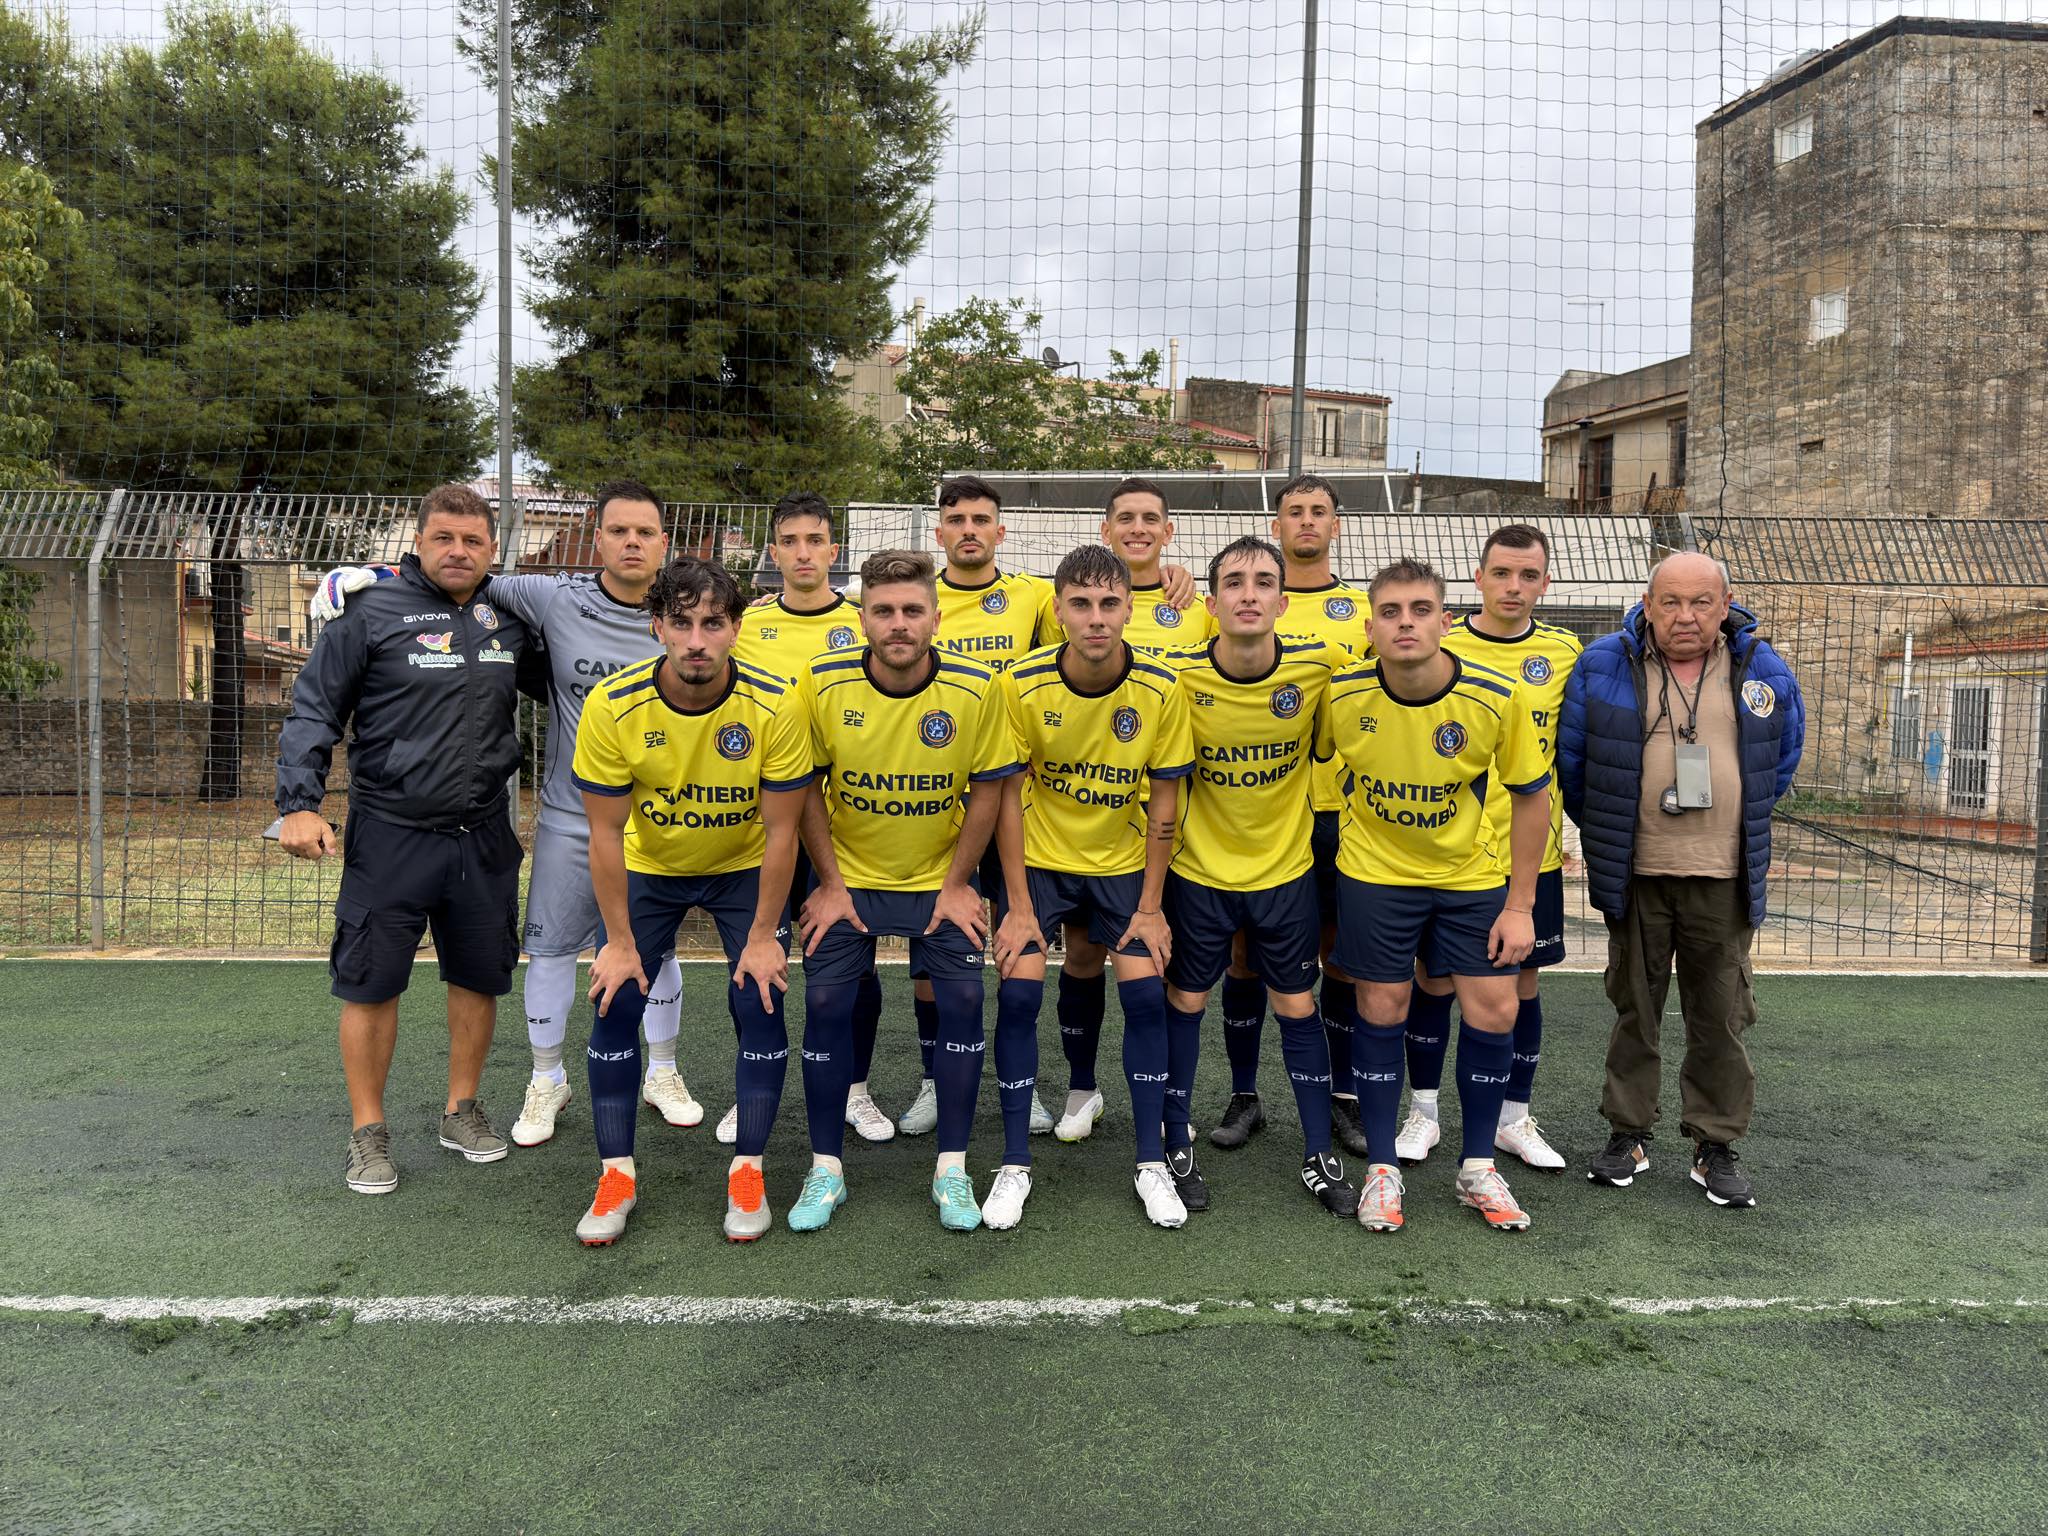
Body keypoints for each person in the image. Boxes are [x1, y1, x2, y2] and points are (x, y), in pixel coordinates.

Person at [306, 482, 697, 1149]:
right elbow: (322, 701)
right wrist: (372, 575)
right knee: (529, 952)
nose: (632, 542)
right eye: (618, 530)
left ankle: (653, 1073)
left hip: (626, 822)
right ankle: (524, 1086)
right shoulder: (537, 597)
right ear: (597, 538)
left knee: (635, 951)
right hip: (518, 820)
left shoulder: (684, 616)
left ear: (664, 542)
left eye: (645, 532)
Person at [276, 484, 533, 1195]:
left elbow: (578, 670)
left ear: (492, 550)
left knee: (479, 976)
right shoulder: (369, 611)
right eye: (443, 537)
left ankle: (461, 1111)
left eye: (473, 540)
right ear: (417, 543)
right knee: (371, 983)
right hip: (391, 834)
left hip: (483, 833)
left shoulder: (509, 618)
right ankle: (368, 1133)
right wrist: (298, 805)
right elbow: (313, 710)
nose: (458, 551)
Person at [569, 557, 811, 1243]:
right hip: (650, 867)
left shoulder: (776, 704)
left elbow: (783, 831)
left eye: (713, 623)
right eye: (681, 623)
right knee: (615, 999)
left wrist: (763, 936)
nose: (696, 640)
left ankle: (748, 1170)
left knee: (760, 997)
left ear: (736, 628)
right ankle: (616, 1176)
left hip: (743, 869)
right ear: (657, 627)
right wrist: (618, 944)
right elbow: (605, 834)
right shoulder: (612, 705)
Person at [789, 550, 1023, 1233]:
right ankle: (825, 1169)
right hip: (849, 879)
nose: (899, 623)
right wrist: (830, 883)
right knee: (826, 1001)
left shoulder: (978, 688)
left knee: (964, 1000)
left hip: (937, 881)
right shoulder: (821, 681)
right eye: (884, 611)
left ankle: (952, 1168)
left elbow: (989, 789)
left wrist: (957, 885)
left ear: (936, 619)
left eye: (912, 611)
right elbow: (805, 787)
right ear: (861, 619)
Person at [1560, 551, 1803, 1208]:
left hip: (1723, 874)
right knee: (1635, 1010)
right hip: (1637, 872)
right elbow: (1574, 766)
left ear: (1725, 606)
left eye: (1701, 602)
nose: (1685, 616)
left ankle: (1714, 1143)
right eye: (1670, 602)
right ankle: (1628, 1134)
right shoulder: (1603, 664)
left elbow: (1780, 759)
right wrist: (1614, 829)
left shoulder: (1762, 668)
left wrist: (1733, 810)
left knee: (1719, 1015)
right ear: (1648, 604)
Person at [1322, 558, 1552, 1234]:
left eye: (1421, 610)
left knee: (1496, 1009)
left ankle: (1478, 1166)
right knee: (1382, 1006)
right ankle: (1382, 1169)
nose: (1406, 623)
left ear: (1444, 622)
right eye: (1390, 612)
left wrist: (1520, 905)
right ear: (1370, 627)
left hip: (1469, 878)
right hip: (1375, 875)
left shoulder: (1496, 694)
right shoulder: (1341, 695)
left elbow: (1532, 798)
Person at [988, 545, 1193, 1229]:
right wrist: (1019, 906)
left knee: (1146, 997)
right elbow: (1007, 798)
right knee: (1019, 994)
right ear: (1058, 610)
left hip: (1121, 863)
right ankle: (1014, 1164)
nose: (1096, 618)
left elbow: (1165, 803)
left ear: (1130, 609)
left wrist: (1152, 907)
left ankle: (1151, 1163)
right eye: (1081, 604)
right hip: (1040, 863)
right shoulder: (1019, 683)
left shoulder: (1161, 688)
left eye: (1109, 604)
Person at [1160, 536, 1358, 1219]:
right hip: (1198, 873)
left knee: (1297, 1006)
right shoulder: (1178, 677)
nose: (1250, 593)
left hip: (1285, 873)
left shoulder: (1320, 668)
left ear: (1283, 601)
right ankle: (1174, 1142)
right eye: (1235, 582)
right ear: (1212, 604)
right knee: (1186, 1001)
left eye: (1264, 582)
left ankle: (1317, 1152)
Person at [1398, 524, 1583, 1172]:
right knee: (1433, 980)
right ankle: (1423, 1113)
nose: (1513, 586)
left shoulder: (1564, 651)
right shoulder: (1442, 644)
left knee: (1521, 985)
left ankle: (1513, 1119)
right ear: (1478, 578)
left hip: (1531, 858)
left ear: (1545, 584)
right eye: (1501, 573)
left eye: (1528, 575)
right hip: (1449, 856)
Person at [1208, 473, 1375, 1159]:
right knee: (1244, 957)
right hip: (1264, 817)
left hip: (1342, 815)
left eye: (1319, 511)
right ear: (1275, 526)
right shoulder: (1232, 601)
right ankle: (1244, 1093)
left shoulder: (1362, 611)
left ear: (1336, 525)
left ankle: (1341, 1097)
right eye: (1294, 511)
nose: (1307, 521)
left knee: (1339, 960)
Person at [729, 491, 891, 1148]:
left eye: (815, 540)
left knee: (853, 969)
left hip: (842, 831)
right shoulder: (747, 624)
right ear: (774, 552)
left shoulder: (863, 622)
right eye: (790, 541)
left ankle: (855, 1087)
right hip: (758, 829)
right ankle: (749, 1087)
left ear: (833, 549)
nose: (803, 553)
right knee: (756, 961)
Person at [1101, 477, 1214, 654]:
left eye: (1150, 519)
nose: (1138, 529)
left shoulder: (1203, 610)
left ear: (1167, 533)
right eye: (1126, 518)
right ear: (1106, 532)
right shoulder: (1072, 604)